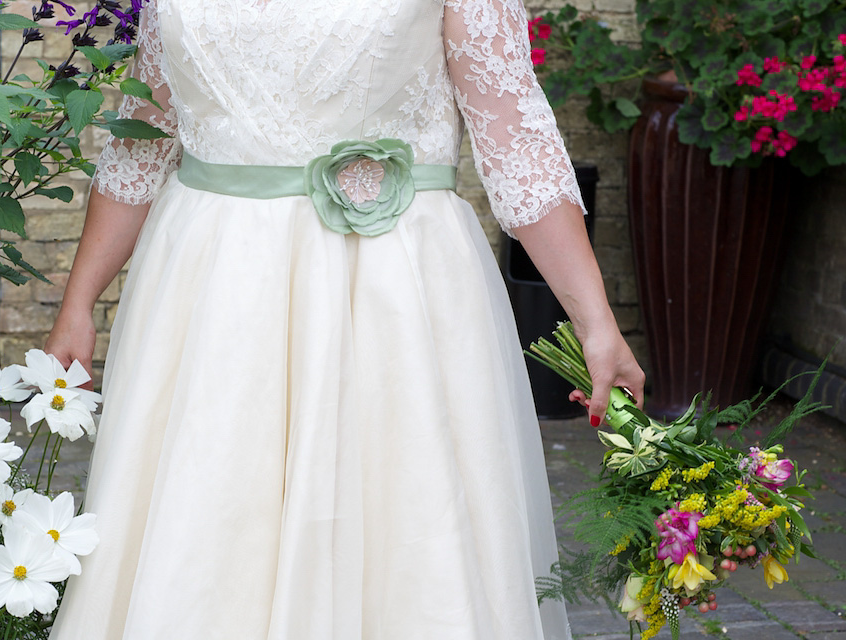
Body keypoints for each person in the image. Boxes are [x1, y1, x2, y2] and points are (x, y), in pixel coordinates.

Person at [45, 0, 645, 637]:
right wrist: (78, 302)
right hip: (209, 293)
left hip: (387, 297)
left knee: (396, 523)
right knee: (209, 508)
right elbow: (142, 141)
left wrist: (597, 324)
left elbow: (518, 149)